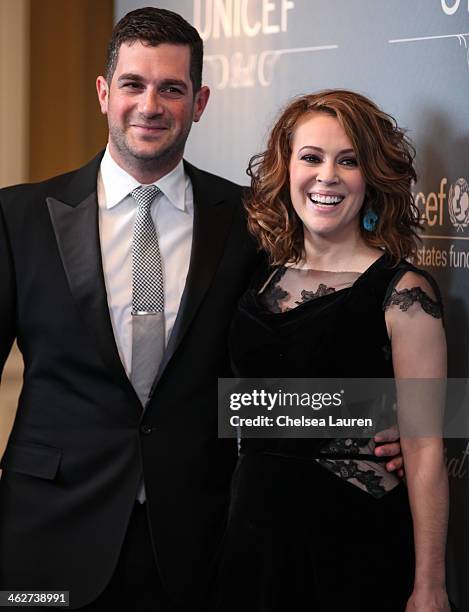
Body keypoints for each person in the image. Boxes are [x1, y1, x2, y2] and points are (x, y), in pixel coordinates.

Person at [0, 9, 402, 611]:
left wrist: (385, 417)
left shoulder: (253, 222)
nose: (150, 105)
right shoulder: (19, 217)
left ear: (201, 101)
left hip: (198, 540)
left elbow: (265, 365)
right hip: (48, 533)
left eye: (172, 88)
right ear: (105, 93)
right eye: (134, 85)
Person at [216, 90, 449, 611]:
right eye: (312, 157)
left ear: (372, 178)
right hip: (253, 542)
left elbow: (427, 448)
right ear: (286, 168)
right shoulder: (257, 275)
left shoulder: (404, 291)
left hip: (351, 547)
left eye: (349, 160)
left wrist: (429, 586)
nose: (327, 176)